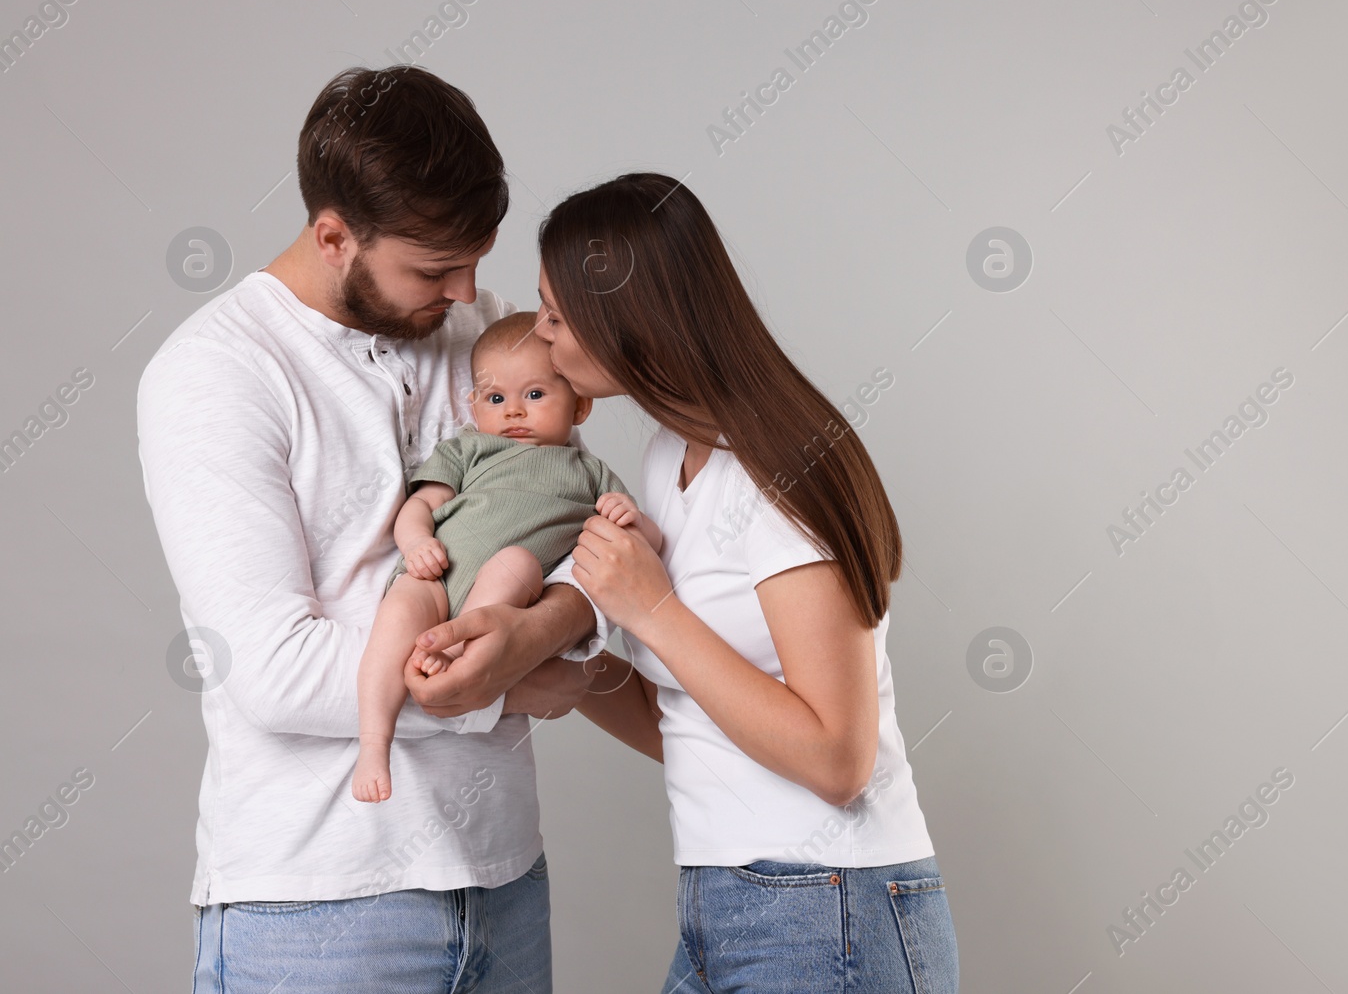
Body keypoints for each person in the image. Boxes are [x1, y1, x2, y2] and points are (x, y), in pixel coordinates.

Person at [136, 66, 609, 993]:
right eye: (435, 269)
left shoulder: (471, 328)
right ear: (333, 236)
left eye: (476, 258)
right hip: (317, 907)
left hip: (504, 879)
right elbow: (272, 671)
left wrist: (546, 630)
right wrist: (514, 685)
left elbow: (577, 520)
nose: (471, 289)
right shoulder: (214, 374)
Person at [527, 172, 960, 992]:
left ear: (627, 317)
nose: (540, 336)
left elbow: (837, 758)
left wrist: (651, 607)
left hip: (832, 903)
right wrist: (570, 675)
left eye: (555, 313)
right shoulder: (668, 460)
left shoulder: (780, 467)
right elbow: (693, 722)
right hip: (723, 899)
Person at [355, 314, 662, 802]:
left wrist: (631, 516)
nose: (514, 412)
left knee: (518, 563)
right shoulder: (468, 449)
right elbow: (420, 506)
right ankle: (374, 744)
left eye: (535, 396)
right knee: (393, 622)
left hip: (496, 596)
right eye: (496, 399)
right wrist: (416, 544)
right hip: (434, 574)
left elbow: (641, 544)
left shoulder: (589, 471)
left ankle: (456, 657)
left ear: (579, 406)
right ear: (473, 406)